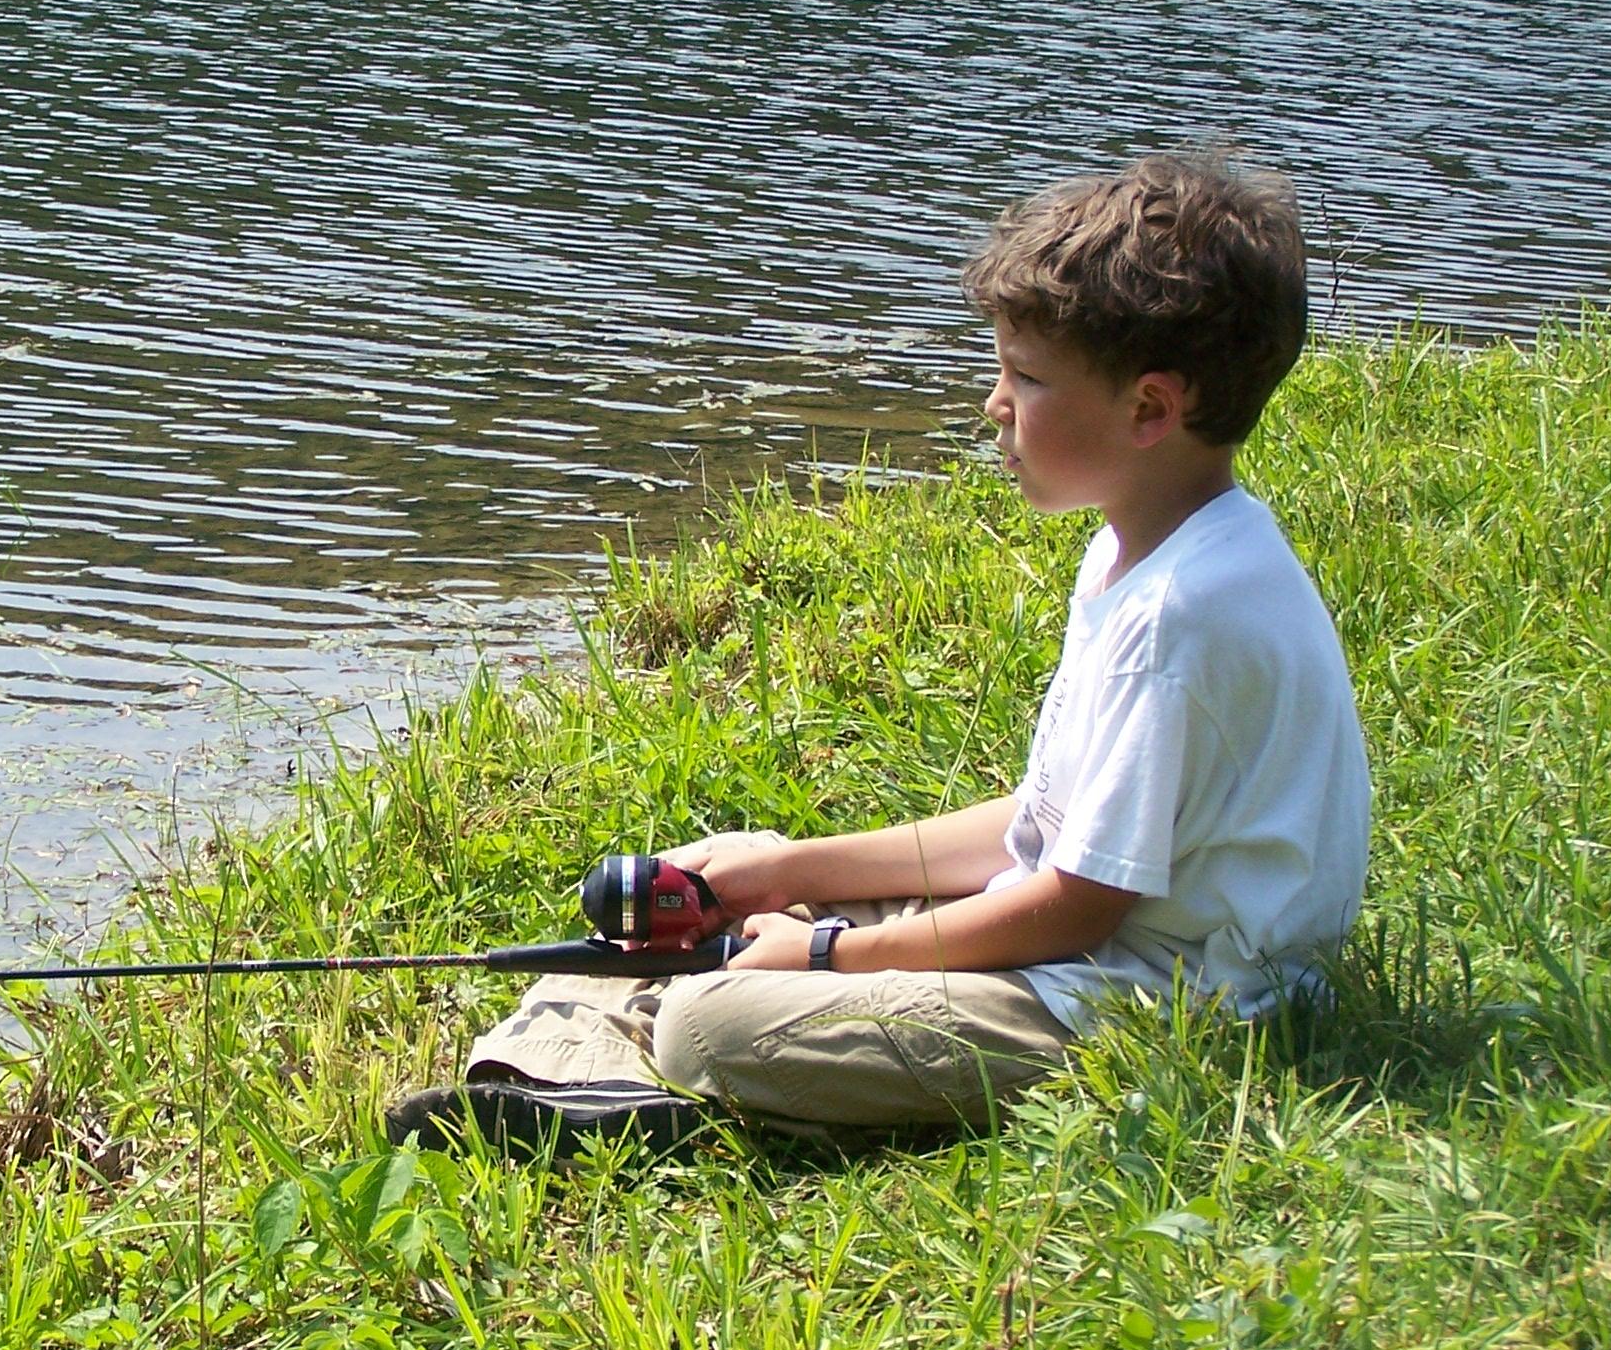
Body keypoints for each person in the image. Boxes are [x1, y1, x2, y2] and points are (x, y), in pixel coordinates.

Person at [386, 150, 1371, 1155]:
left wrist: (825, 954)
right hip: (1070, 940)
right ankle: (552, 1080)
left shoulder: (1183, 615)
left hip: (1159, 1006)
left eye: (1024, 379)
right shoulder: (1139, 548)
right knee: (699, 898)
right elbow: (1043, 827)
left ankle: (644, 1086)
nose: (994, 404)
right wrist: (784, 872)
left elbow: (1077, 905)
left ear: (1150, 408)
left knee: (707, 1021)